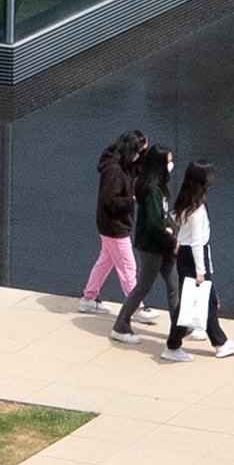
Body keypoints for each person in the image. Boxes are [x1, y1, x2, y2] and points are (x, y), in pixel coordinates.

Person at [113, 135, 192, 341]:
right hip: (151, 247)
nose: (171, 165)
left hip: (162, 246)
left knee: (174, 284)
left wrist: (172, 231)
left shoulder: (159, 188)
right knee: (143, 287)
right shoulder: (151, 190)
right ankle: (121, 325)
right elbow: (155, 223)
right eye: (168, 161)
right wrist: (172, 241)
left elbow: (164, 216)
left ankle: (180, 326)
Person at [157, 161, 230, 355]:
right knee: (192, 303)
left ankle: (220, 342)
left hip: (188, 255)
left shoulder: (186, 201)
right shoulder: (197, 210)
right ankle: (173, 346)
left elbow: (175, 219)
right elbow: (197, 242)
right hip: (194, 257)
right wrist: (201, 272)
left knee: (205, 300)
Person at [81, 132, 146, 326]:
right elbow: (111, 201)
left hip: (110, 224)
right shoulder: (114, 171)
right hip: (114, 225)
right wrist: (132, 200)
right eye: (139, 151)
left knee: (105, 261)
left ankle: (88, 298)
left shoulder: (122, 165)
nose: (140, 155)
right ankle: (136, 307)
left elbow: (136, 170)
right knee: (128, 267)